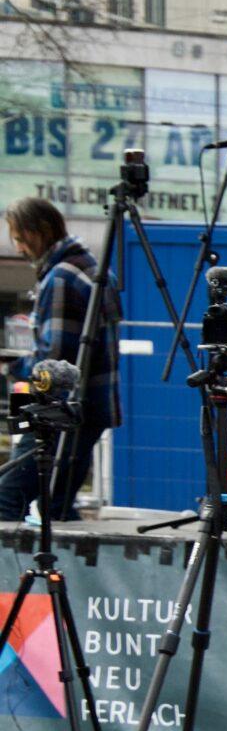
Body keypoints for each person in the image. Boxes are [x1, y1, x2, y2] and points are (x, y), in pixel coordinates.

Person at [2, 197, 118, 522]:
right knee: (59, 507)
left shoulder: (61, 278)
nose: (19, 247)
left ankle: (9, 572)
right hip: (87, 408)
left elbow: (54, 363)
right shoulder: (90, 268)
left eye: (20, 238)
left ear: (39, 232)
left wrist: (13, 369)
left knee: (7, 496)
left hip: (56, 410)